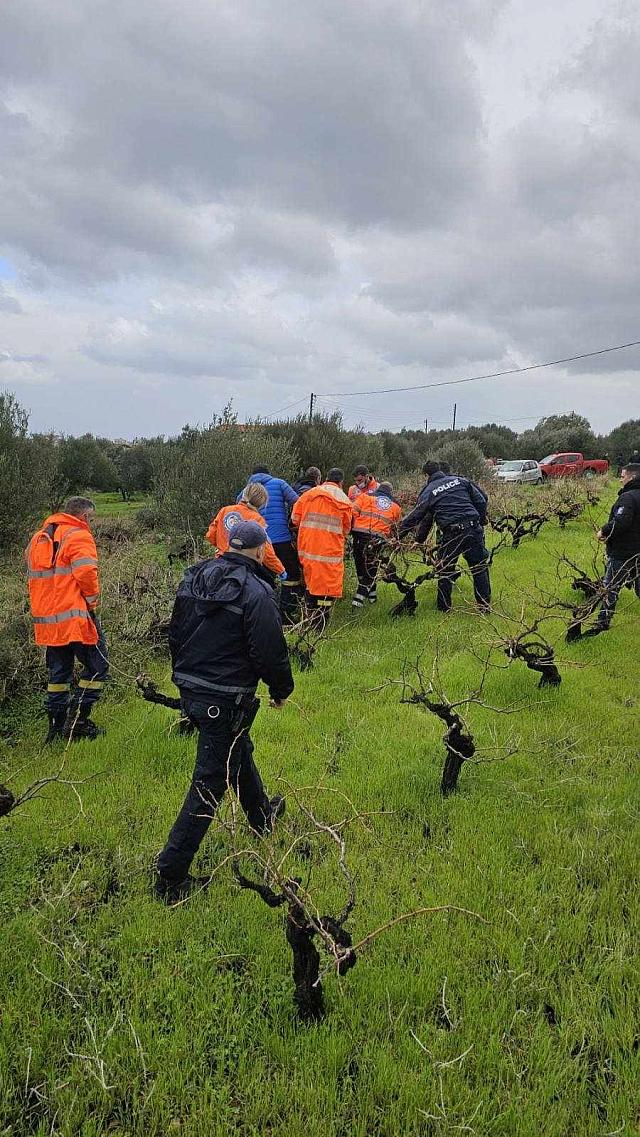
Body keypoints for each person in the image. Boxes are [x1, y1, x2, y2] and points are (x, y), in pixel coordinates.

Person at [156, 520, 294, 904]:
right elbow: (269, 649)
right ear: (261, 550)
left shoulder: (195, 577)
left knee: (237, 751)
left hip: (193, 688)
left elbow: (175, 633)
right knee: (209, 783)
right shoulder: (257, 592)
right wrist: (281, 689)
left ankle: (262, 818)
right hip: (225, 698)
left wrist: (184, 679)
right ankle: (170, 876)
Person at [25, 496, 108, 743]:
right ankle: (78, 723)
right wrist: (92, 603)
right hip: (76, 619)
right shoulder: (79, 535)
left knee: (58, 676)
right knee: (98, 667)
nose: (91, 523)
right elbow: (87, 574)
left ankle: (55, 729)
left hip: (49, 623)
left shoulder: (39, 538)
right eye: (91, 519)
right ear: (84, 516)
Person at [399, 461, 491, 612]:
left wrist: (399, 535)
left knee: (445, 570)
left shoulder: (429, 491)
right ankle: (484, 606)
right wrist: (480, 521)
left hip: (452, 534)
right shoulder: (460, 480)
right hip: (473, 529)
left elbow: (418, 516)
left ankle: (444, 608)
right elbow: (481, 500)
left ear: (426, 475)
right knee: (478, 567)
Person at [238, 466, 302, 621]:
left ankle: (262, 611)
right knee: (292, 574)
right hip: (281, 539)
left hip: (257, 542)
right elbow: (298, 502)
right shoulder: (279, 483)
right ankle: (285, 613)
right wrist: (293, 522)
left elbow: (239, 509)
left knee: (261, 577)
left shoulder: (246, 490)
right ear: (268, 474)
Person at [290, 467, 353, 615]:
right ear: (341, 482)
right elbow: (346, 529)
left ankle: (308, 614)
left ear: (325, 479)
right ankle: (321, 618)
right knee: (327, 589)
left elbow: (294, 519)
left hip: (308, 550)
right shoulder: (345, 501)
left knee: (310, 584)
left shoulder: (309, 494)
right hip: (330, 554)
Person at [591, 463, 640, 632]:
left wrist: (603, 532)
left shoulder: (628, 498)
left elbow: (621, 522)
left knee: (610, 587)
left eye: (622, 476)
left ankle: (602, 621)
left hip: (624, 552)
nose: (620, 480)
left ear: (632, 477)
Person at [206, 483, 285, 577]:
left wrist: (222, 547)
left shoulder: (225, 510)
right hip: (243, 569)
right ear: (262, 502)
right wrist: (280, 569)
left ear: (244, 494)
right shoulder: (257, 519)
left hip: (220, 563)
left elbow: (210, 535)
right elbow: (265, 551)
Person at [351, 481, 402, 607]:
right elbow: (396, 529)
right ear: (391, 492)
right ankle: (357, 602)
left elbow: (352, 513)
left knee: (361, 566)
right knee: (371, 569)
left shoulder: (364, 497)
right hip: (377, 540)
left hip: (359, 536)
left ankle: (372, 598)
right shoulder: (396, 506)